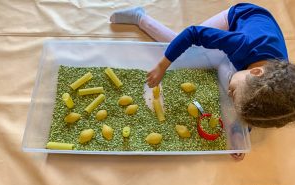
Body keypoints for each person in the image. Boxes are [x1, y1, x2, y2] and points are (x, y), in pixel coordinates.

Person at [110, 3, 295, 160]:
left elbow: (255, 107)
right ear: (254, 72)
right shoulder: (241, 43)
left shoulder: (273, 90)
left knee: (225, 72)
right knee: (178, 45)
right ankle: (140, 17)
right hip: (238, 18)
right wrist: (162, 66)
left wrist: (240, 132)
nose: (229, 94)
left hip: (249, 59)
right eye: (234, 92)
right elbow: (192, 33)